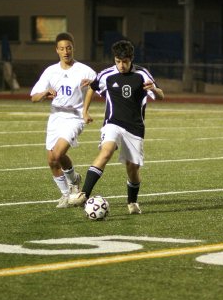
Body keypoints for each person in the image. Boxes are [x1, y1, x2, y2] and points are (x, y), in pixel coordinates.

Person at [69, 39, 164, 214]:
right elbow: (92, 87)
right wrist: (85, 111)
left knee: (132, 168)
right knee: (106, 151)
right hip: (113, 123)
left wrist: (156, 90)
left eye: (125, 62)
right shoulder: (107, 74)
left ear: (131, 59)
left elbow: (160, 96)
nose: (121, 65)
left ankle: (132, 202)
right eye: (118, 61)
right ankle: (84, 194)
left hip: (135, 127)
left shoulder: (142, 74)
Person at [30, 32, 96, 208]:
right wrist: (44, 93)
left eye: (68, 48)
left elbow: (103, 85)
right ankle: (66, 194)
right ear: (56, 50)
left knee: (58, 153)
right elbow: (33, 97)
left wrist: (92, 84)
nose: (66, 51)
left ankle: (74, 180)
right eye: (62, 48)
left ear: (73, 48)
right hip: (56, 116)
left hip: (75, 117)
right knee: (52, 160)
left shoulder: (84, 70)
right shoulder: (50, 71)